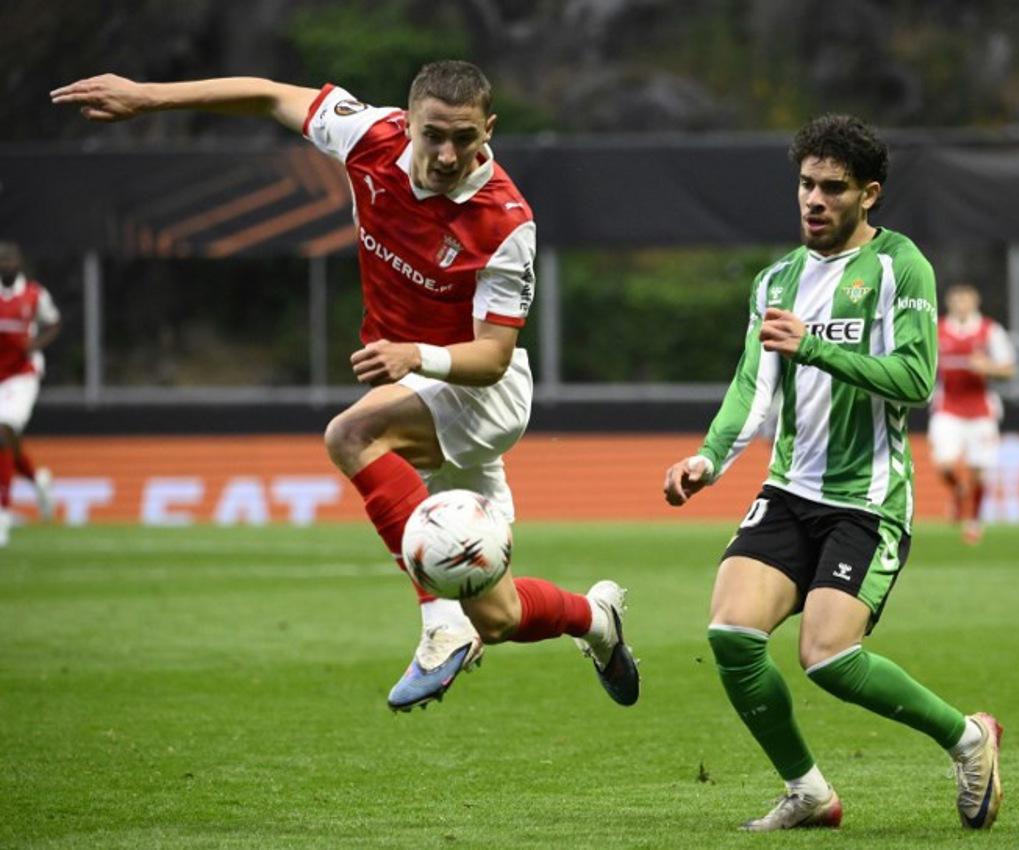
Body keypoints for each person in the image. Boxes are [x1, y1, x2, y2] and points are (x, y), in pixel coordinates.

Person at [52, 63, 638, 710]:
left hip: (479, 394)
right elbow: (269, 95)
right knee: (496, 619)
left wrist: (414, 353)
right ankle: (597, 620)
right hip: (417, 384)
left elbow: (494, 356)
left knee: (351, 433)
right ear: (408, 121)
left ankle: (438, 627)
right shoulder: (369, 135)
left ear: (488, 129)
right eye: (432, 134)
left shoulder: (505, 221)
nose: (446, 154)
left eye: (464, 137)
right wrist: (148, 96)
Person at [663, 115, 1002, 832]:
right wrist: (708, 459)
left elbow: (914, 379)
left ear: (869, 194)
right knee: (730, 635)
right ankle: (809, 792)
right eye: (806, 184)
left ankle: (969, 739)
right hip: (789, 490)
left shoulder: (899, 267)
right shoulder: (776, 280)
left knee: (827, 656)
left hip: (867, 501)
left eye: (832, 188)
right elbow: (751, 388)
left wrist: (815, 345)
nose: (813, 200)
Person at [930, 283, 1015, 543]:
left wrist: (987, 367)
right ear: (949, 303)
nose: (961, 305)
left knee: (979, 471)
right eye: (956, 300)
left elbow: (1009, 369)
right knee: (944, 466)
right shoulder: (938, 329)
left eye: (965, 300)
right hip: (949, 408)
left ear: (975, 303)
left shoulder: (990, 330)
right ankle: (958, 491)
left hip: (980, 410)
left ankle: (973, 521)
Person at [0, 242, 60, 546]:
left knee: (3, 431)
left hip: (22, 376)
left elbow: (54, 322)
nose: (6, 264)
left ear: (20, 262)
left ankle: (2, 516)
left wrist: (34, 346)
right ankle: (37, 480)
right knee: (5, 441)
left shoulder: (35, 294)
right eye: (2, 260)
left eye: (10, 259)